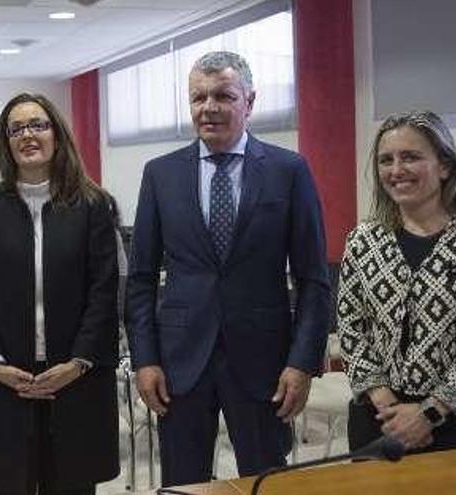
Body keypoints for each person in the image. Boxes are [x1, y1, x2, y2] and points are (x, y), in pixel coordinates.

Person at [126, 51, 331, 485]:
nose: (208, 107)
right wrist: (145, 358)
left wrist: (302, 362)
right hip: (181, 363)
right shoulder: (160, 175)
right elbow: (141, 278)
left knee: (267, 483)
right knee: (184, 484)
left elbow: (314, 280)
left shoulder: (288, 171)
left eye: (223, 95)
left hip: (264, 364)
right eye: (198, 97)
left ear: (250, 102)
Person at [0, 92, 119, 495]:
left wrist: (78, 363)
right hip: (5, 383)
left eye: (38, 125)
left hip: (76, 381)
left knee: (72, 485)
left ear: (57, 135)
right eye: (16, 129)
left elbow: (104, 292)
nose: (27, 135)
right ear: (5, 142)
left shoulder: (92, 204)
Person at [338, 110, 456, 453]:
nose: (396, 170)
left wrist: (430, 412)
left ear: (445, 166)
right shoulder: (363, 240)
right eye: (386, 160)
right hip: (380, 418)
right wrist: (383, 399)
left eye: (411, 157)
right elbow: (351, 326)